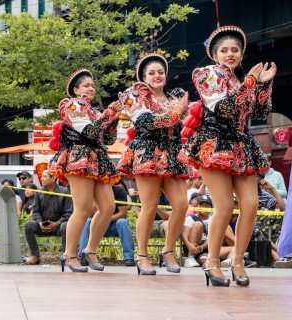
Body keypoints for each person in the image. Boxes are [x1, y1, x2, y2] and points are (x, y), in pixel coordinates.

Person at [179, 25, 275, 287]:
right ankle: (211, 262)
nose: (230, 54)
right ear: (215, 55)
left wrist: (264, 84)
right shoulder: (207, 74)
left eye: (235, 50)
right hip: (213, 144)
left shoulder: (240, 79)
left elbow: (258, 110)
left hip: (241, 146)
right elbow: (223, 108)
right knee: (223, 206)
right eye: (224, 50)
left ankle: (237, 260)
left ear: (242, 55)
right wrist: (251, 84)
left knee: (251, 205)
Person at [117, 53, 189, 274]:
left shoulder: (176, 97)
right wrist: (176, 114)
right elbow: (147, 123)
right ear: (144, 77)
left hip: (172, 153)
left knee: (182, 205)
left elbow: (186, 124)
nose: (157, 76)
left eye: (160, 72)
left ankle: (168, 251)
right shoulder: (135, 97)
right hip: (147, 152)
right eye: (152, 73)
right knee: (149, 206)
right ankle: (142, 256)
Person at [50, 68, 121, 273]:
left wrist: (113, 117)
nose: (91, 88)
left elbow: (108, 139)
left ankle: (90, 251)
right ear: (75, 89)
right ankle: (69, 254)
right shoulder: (71, 104)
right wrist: (107, 113)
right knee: (82, 208)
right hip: (78, 157)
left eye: (92, 85)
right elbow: (89, 131)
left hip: (97, 158)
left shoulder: (94, 111)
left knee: (108, 207)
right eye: (86, 85)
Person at [22, 170, 72, 265]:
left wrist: (57, 223)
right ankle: (35, 256)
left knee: (66, 226)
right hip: (43, 226)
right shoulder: (39, 192)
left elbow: (68, 213)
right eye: (42, 176)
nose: (41, 179)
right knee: (28, 225)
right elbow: (36, 211)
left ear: (53, 178)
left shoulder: (64, 191)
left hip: (58, 226)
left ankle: (65, 257)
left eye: (44, 176)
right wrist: (40, 223)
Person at [78, 183, 135, 266]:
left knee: (123, 222)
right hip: (96, 225)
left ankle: (129, 257)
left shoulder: (119, 190)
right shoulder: (90, 191)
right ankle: (83, 255)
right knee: (87, 221)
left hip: (113, 225)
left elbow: (123, 213)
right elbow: (88, 214)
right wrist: (94, 200)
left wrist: (105, 219)